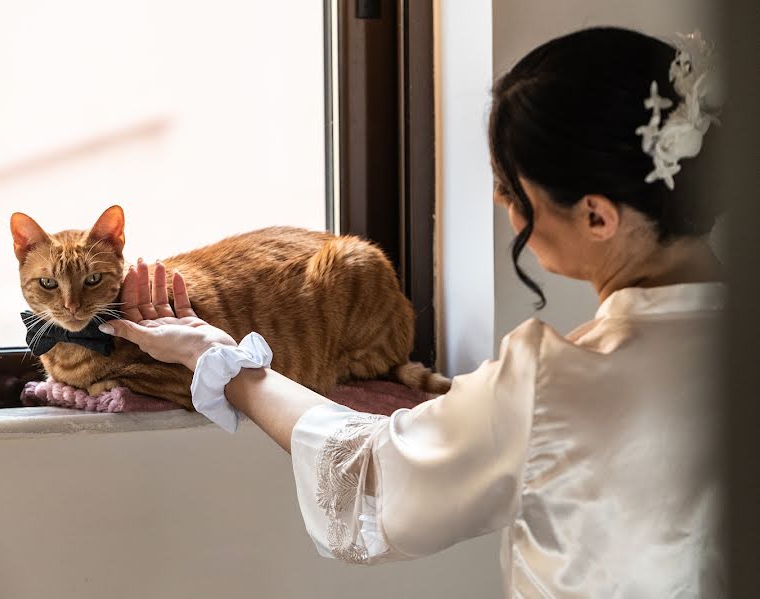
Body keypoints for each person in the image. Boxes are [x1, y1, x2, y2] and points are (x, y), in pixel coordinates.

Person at [98, 27, 725, 597]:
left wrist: (221, 359)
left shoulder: (558, 382)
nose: (506, 211)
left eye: (515, 193)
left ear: (595, 215)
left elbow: (369, 476)